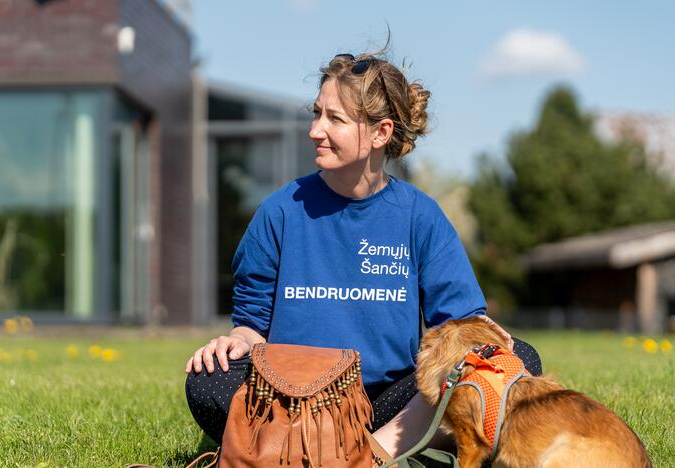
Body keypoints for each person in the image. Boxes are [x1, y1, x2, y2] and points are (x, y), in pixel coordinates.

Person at [184, 49, 542, 457]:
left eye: (334, 119)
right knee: (208, 379)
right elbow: (252, 325)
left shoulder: (420, 217)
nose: (315, 130)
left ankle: (367, 455)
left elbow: (461, 327)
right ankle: (320, 449)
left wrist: (484, 339)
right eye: (316, 113)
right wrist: (234, 341)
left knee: (517, 358)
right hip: (292, 400)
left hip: (389, 406)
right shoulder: (279, 211)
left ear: (380, 133)